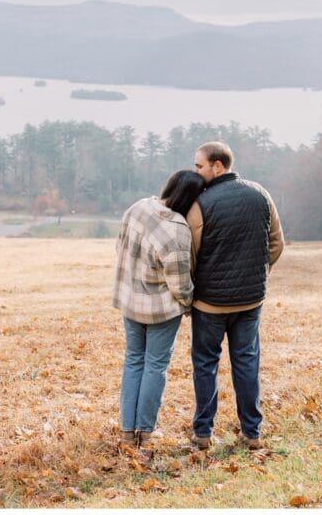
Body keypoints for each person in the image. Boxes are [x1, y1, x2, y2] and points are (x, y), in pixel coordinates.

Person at [186, 141, 284, 451]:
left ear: (218, 166)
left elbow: (191, 254)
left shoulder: (200, 204)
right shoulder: (261, 194)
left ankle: (203, 433)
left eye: (200, 166)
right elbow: (277, 244)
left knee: (205, 364)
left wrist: (194, 288)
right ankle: (252, 432)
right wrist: (256, 272)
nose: (196, 171)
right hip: (250, 300)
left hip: (208, 303)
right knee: (246, 362)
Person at [113, 169, 206, 454]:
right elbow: (180, 283)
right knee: (155, 365)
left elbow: (120, 245)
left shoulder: (138, 207)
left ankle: (128, 431)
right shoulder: (177, 228)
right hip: (161, 311)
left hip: (130, 301)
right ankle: (145, 431)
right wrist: (189, 305)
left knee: (133, 362)